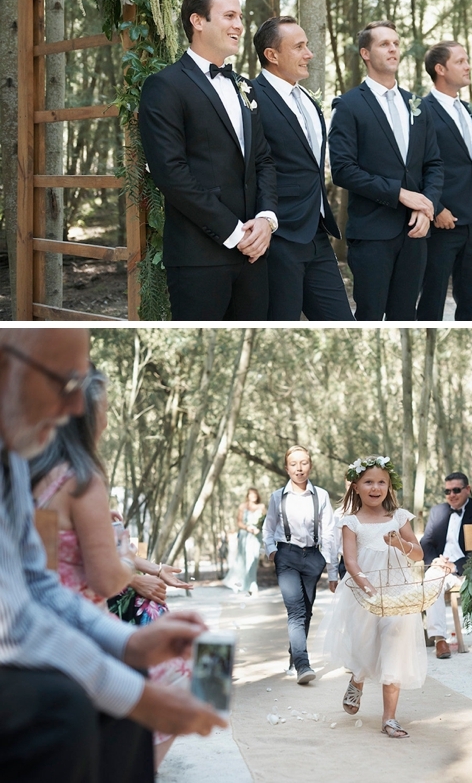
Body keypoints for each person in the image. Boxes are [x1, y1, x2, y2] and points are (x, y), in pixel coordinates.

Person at [0, 329, 225, 783]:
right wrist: (137, 696)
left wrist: (128, 643)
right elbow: (13, 621)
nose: (76, 410)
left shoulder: (18, 463)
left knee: (131, 675)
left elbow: (36, 580)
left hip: (53, 620)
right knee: (72, 706)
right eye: (65, 384)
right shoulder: (81, 480)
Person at [30, 369, 195, 770]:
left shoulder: (36, 477)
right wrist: (124, 557)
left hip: (42, 624)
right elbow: (105, 577)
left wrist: (146, 566)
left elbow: (48, 565)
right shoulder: (83, 479)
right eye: (104, 409)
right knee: (187, 667)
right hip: (85, 628)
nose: (107, 418)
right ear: (88, 417)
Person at [137, 0, 278, 319]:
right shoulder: (165, 86)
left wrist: (265, 219)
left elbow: (263, 160)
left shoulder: (244, 86)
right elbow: (170, 173)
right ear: (197, 21)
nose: (239, 25)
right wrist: (233, 231)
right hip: (199, 257)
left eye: (240, 16)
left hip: (255, 256)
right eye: (229, 15)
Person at [329, 20, 443, 320]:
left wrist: (425, 206)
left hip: (416, 234)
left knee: (406, 316)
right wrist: (401, 194)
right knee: (369, 316)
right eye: (384, 44)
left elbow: (433, 164)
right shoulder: (349, 105)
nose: (393, 49)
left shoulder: (418, 104)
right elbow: (342, 169)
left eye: (395, 43)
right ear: (366, 53)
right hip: (372, 234)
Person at [250, 15, 353, 321]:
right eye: (299, 47)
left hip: (317, 234)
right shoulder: (251, 98)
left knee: (341, 322)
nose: (309, 54)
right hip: (278, 237)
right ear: (272, 55)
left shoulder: (307, 99)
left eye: (307, 45)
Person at [324, 456, 426, 738]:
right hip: (365, 590)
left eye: (381, 482)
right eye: (368, 482)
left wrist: (400, 542)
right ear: (355, 486)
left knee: (395, 641)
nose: (375, 487)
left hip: (398, 590)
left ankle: (389, 718)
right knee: (365, 644)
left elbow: (419, 555)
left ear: (389, 485)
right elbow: (351, 560)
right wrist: (367, 587)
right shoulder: (351, 522)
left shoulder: (399, 517)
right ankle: (357, 677)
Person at [416, 41, 472, 320]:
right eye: (461, 62)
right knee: (432, 301)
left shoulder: (470, 110)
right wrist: (436, 208)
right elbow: (417, 167)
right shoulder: (421, 111)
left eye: (467, 60)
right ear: (440, 69)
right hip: (442, 223)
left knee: (471, 303)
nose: (468, 66)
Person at [263, 444, 336, 684]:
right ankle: (303, 665)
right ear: (287, 468)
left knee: (306, 610)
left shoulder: (321, 496)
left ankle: (294, 656)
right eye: (294, 464)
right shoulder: (278, 496)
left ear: (310, 465)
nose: (299, 468)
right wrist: (273, 551)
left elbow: (329, 533)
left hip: (313, 558)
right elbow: (269, 526)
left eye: (303, 463)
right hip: (287, 556)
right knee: (295, 610)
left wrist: (331, 567)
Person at [419, 472, 472, 657]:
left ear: (467, 490)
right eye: (447, 491)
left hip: (469, 569)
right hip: (441, 567)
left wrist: (456, 566)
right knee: (430, 578)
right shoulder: (437, 512)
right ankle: (440, 640)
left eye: (456, 490)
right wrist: (435, 561)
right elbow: (426, 542)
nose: (451, 494)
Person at [222, 487, 265, 595]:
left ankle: (252, 585)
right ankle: (241, 584)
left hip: (256, 536)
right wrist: (248, 528)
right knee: (243, 560)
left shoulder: (261, 507)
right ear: (248, 495)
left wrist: (259, 528)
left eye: (255, 494)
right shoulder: (243, 507)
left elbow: (266, 520)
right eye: (251, 494)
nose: (253, 496)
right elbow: (239, 522)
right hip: (245, 536)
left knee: (253, 560)